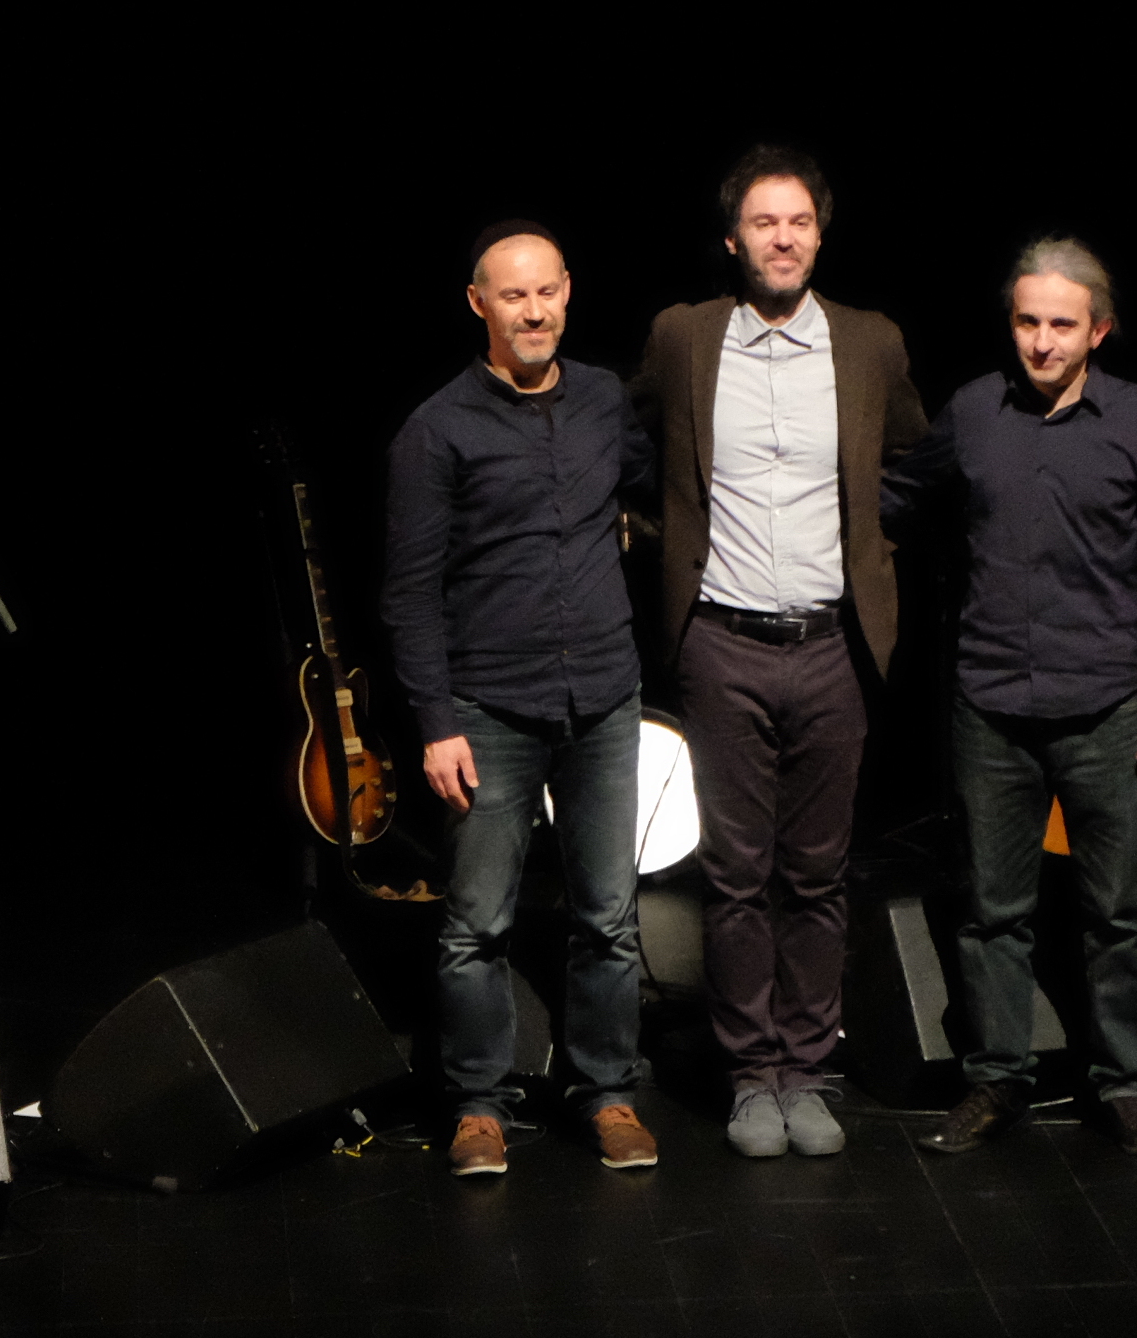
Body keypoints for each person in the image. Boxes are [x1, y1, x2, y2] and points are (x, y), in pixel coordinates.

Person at [632, 146, 928, 1157]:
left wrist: (869, 544)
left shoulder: (868, 342)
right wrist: (660, 539)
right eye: (764, 222)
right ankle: (750, 1075)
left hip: (831, 643)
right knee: (735, 875)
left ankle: (808, 1069)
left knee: (816, 874)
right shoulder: (683, 337)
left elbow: (912, 457)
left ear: (820, 233)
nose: (784, 237)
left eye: (799, 221)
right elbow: (632, 445)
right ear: (733, 238)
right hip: (721, 641)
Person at [882, 237, 1137, 1155]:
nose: (1042, 341)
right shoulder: (975, 410)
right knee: (993, 911)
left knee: (1118, 911)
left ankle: (1126, 1084)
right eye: (1028, 322)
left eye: (1062, 324)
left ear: (1098, 330)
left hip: (1106, 704)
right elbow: (898, 496)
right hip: (991, 703)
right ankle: (997, 1080)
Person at [382, 220, 658, 1177]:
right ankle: (478, 1107)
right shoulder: (436, 430)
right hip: (489, 709)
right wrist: (436, 725)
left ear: (568, 291)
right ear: (479, 305)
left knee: (610, 917)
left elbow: (649, 492)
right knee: (476, 925)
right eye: (513, 295)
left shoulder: (604, 399)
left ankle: (608, 1093)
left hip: (603, 697)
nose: (533, 311)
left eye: (546, 292)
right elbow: (410, 594)